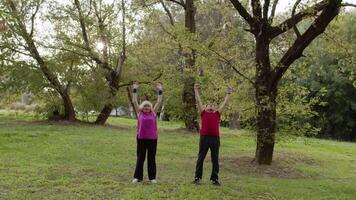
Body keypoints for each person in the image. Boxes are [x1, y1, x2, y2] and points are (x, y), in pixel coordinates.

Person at [193, 83, 232, 186]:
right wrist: (196, 90)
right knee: (201, 157)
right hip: (204, 138)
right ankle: (197, 177)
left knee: (215, 159)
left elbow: (224, 103)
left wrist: (228, 93)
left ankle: (214, 178)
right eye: (208, 104)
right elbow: (198, 100)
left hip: (215, 139)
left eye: (212, 105)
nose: (210, 105)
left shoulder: (217, 114)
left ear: (215, 107)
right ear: (205, 107)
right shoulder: (203, 113)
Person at [131, 82, 163, 184]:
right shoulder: (139, 113)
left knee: (151, 158)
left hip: (152, 139)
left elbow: (159, 101)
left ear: (150, 107)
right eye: (145, 106)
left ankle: (152, 178)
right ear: (142, 107)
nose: (146, 108)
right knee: (140, 158)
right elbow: (134, 101)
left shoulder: (153, 112)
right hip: (141, 138)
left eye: (148, 106)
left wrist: (160, 90)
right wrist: (135, 89)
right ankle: (137, 177)